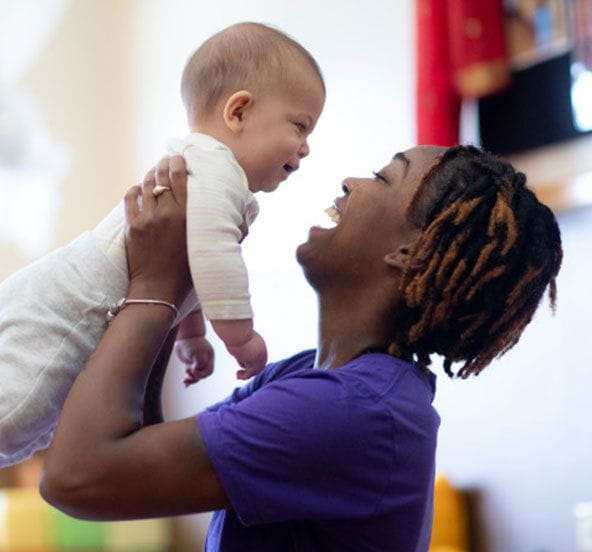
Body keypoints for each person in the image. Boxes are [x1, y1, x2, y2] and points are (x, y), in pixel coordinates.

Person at [40, 144, 562, 551]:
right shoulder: (319, 383)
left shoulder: (350, 412)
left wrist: (154, 286)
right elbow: (138, 461)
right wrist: (176, 288)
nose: (350, 181)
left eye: (382, 178)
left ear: (409, 253)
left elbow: (76, 479)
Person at [0, 22, 325, 467]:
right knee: (13, 420)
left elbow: (188, 269)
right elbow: (214, 259)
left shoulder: (206, 168)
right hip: (77, 303)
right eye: (300, 126)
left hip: (73, 293)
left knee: (27, 425)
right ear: (239, 112)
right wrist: (241, 336)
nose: (305, 148)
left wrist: (192, 335)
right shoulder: (218, 170)